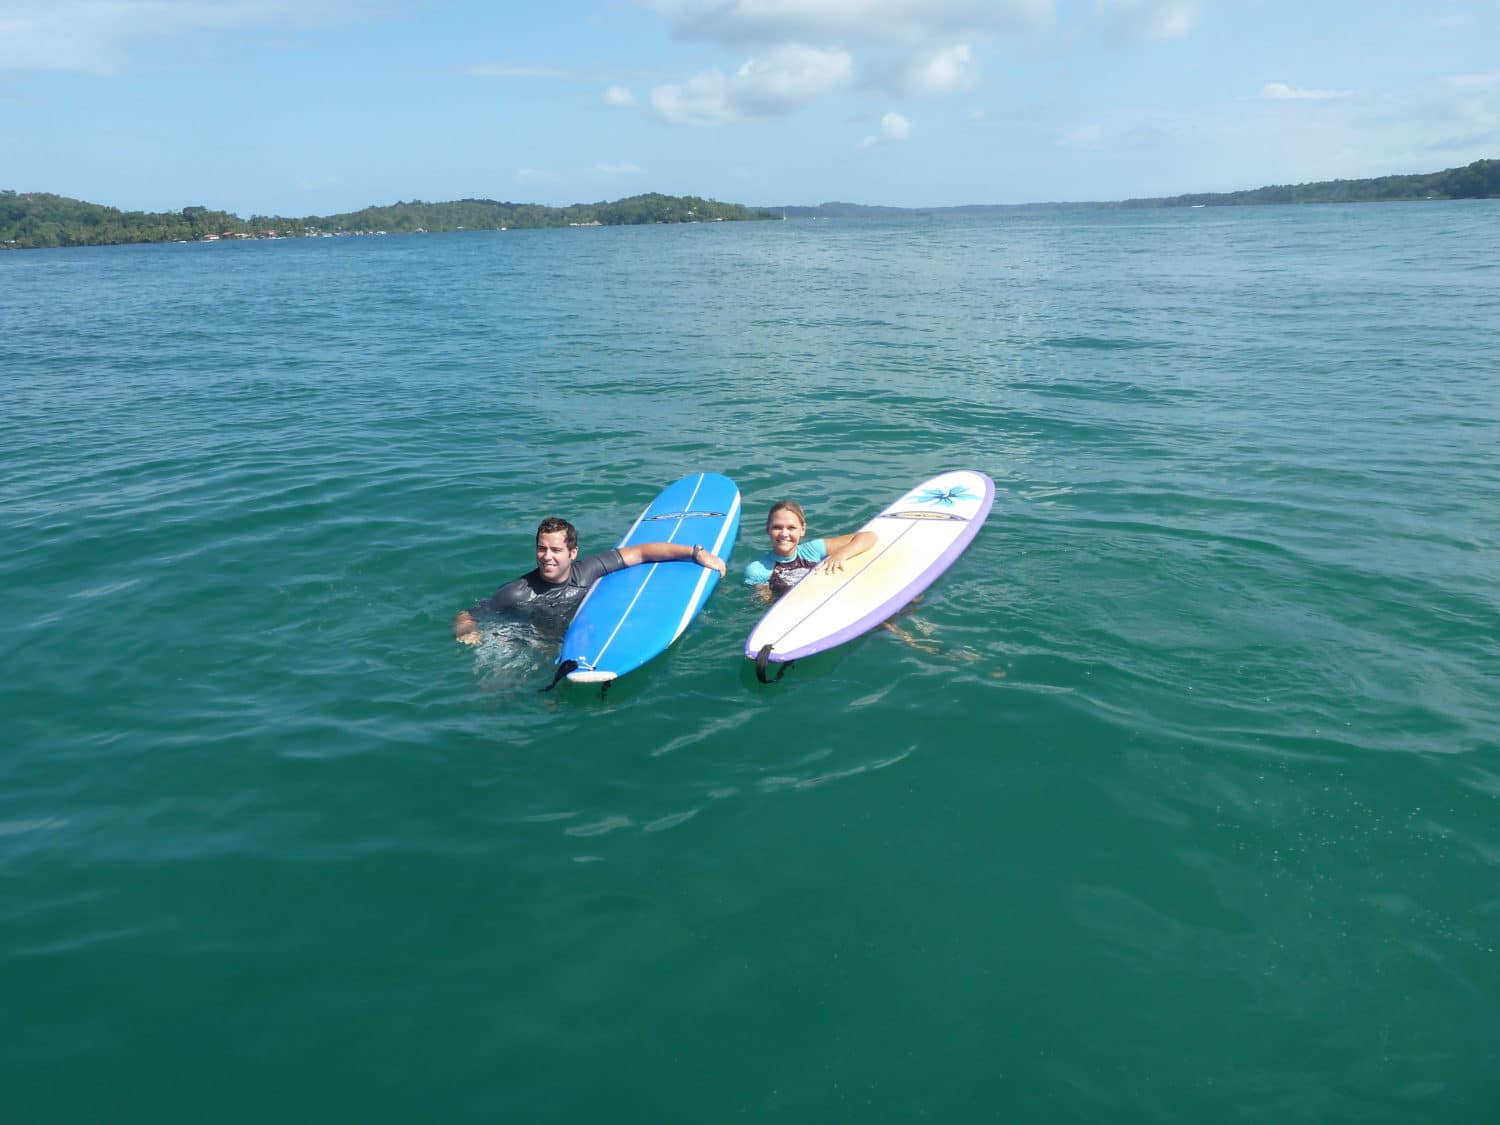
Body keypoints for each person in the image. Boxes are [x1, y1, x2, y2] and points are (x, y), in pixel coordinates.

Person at [454, 516, 725, 644]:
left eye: (556, 550)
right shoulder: (517, 593)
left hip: (564, 635)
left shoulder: (589, 569)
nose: (547, 557)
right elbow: (467, 614)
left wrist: (696, 552)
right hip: (522, 636)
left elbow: (642, 552)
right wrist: (467, 632)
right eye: (541, 548)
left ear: (573, 553)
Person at [742, 500, 877, 603]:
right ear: (768, 529)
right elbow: (767, 604)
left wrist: (840, 554)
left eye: (791, 528)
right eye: (777, 527)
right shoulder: (758, 570)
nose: (784, 533)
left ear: (803, 529)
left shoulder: (813, 550)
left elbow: (869, 536)